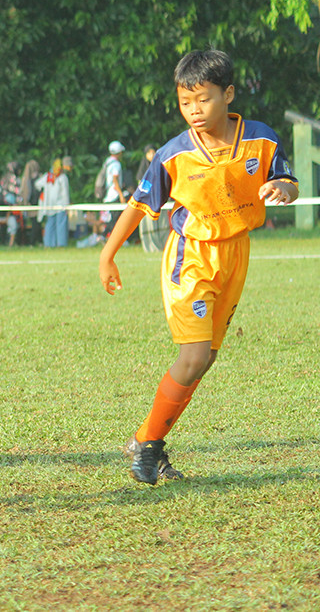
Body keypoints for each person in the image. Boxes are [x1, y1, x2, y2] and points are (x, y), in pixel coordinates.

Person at [99, 49, 298, 486]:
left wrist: (284, 188)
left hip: (236, 253)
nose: (194, 109)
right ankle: (148, 447)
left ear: (228, 94)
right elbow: (138, 205)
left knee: (204, 359)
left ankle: (144, 438)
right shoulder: (173, 154)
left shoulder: (261, 139)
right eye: (185, 102)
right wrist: (107, 254)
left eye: (203, 99)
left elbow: (287, 180)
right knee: (192, 357)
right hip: (190, 256)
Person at [135, 144, 169, 252]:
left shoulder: (161, 166)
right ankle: (151, 248)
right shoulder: (143, 170)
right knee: (149, 225)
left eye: (153, 152)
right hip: (147, 203)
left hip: (161, 201)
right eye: (149, 153)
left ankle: (164, 246)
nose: (152, 155)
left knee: (163, 224)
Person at [36, 157, 70, 247]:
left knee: (50, 225)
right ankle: (61, 244)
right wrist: (67, 206)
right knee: (61, 225)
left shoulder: (48, 176)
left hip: (49, 205)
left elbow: (37, 184)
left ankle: (49, 244)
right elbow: (65, 193)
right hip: (61, 205)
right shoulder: (63, 177)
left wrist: (43, 192)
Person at [18, 159, 42, 246]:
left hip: (36, 204)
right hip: (31, 204)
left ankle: (37, 241)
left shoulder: (32, 178)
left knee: (36, 223)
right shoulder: (28, 179)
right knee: (35, 223)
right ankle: (33, 241)